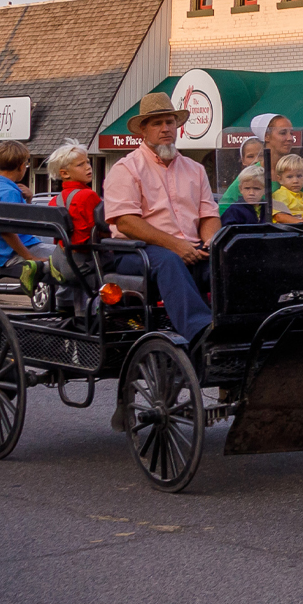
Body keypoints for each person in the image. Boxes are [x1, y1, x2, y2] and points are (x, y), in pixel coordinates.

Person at [103, 92, 220, 424]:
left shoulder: (195, 169)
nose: (166, 128)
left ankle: (242, 329)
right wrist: (176, 245)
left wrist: (209, 242)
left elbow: (209, 215)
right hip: (136, 253)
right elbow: (126, 221)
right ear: (144, 131)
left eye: (170, 122)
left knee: (227, 263)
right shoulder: (127, 169)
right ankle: (201, 335)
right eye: (158, 123)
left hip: (188, 250)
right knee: (168, 261)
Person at [217, 113, 303, 221]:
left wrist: (299, 227)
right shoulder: (253, 174)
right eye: (283, 133)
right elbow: (224, 207)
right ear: (266, 136)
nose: (290, 138)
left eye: (291, 133)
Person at [0, 141, 55, 291]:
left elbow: (18, 223)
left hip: (0, 253)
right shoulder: (10, 193)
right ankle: (68, 304)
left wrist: (28, 200)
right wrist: (30, 258)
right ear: (21, 166)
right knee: (71, 260)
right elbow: (8, 231)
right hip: (18, 253)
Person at [45, 140, 102, 314]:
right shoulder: (88, 196)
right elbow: (95, 235)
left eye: (88, 162)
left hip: (62, 262)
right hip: (84, 265)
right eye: (81, 164)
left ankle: (68, 306)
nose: (88, 167)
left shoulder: (55, 201)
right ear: (65, 173)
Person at [271, 154, 303, 221]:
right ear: (280, 179)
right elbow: (279, 216)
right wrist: (302, 224)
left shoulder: (301, 196)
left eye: (299, 176)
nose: (295, 181)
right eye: (289, 177)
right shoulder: (280, 194)